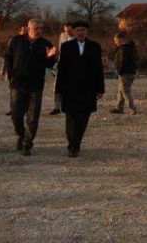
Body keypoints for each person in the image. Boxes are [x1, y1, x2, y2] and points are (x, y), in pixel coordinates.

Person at [4, 18, 58, 155]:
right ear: (28, 29)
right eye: (36, 28)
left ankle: (27, 143)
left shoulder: (45, 44)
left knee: (33, 117)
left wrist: (51, 57)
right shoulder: (16, 41)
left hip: (35, 86)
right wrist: (10, 73)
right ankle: (21, 135)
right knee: (16, 115)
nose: (39, 30)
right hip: (17, 84)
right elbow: (8, 57)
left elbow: (49, 65)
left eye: (41, 28)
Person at [53, 20, 105, 157]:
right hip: (70, 89)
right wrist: (58, 90)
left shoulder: (94, 46)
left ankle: (77, 142)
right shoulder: (66, 46)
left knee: (84, 117)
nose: (80, 32)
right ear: (73, 32)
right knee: (70, 117)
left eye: (83, 30)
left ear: (86, 31)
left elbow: (98, 69)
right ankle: (72, 145)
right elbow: (61, 69)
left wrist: (100, 89)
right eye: (78, 30)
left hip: (88, 88)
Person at [109, 30, 138, 115]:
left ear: (120, 39)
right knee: (121, 91)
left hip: (125, 73)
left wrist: (119, 71)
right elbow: (136, 58)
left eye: (116, 40)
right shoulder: (130, 47)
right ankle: (119, 108)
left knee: (125, 91)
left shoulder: (123, 48)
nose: (115, 42)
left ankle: (132, 109)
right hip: (130, 71)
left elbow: (122, 61)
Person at [1, 23, 27, 114]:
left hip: (24, 72)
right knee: (13, 91)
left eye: (26, 30)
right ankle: (13, 109)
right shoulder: (13, 40)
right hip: (13, 71)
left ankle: (23, 109)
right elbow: (8, 56)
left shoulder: (29, 41)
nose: (25, 32)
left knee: (23, 92)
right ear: (20, 30)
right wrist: (4, 69)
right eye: (24, 30)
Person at [49, 23, 74, 116]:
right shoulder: (63, 36)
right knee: (57, 86)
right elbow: (60, 49)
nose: (67, 33)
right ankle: (57, 107)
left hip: (72, 66)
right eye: (66, 31)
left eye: (69, 31)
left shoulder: (77, 38)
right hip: (62, 64)